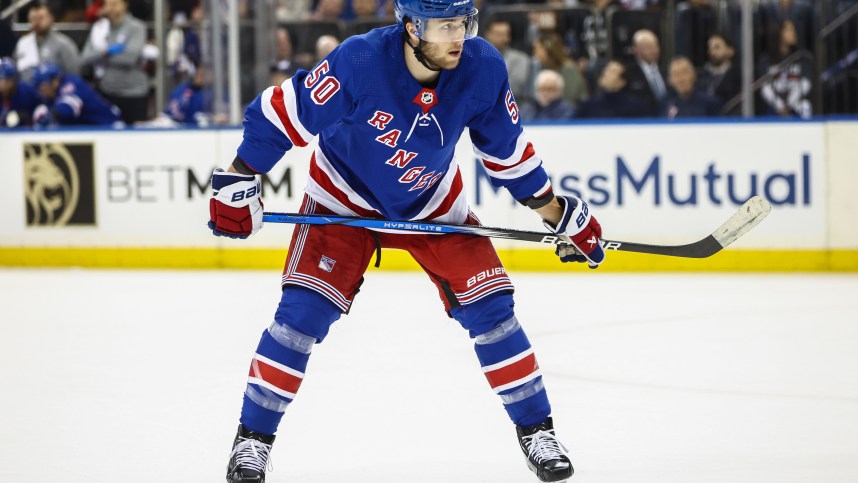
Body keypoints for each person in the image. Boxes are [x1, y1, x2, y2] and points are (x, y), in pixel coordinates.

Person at [210, 1, 607, 482]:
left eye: (462, 23)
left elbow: (507, 152)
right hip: (343, 197)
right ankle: (252, 441)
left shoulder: (482, 67)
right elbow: (280, 115)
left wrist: (556, 214)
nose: (458, 36)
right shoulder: (358, 61)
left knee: (492, 311)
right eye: (444, 26)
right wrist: (238, 176)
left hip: (432, 198)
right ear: (411, 27)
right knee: (300, 318)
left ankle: (537, 431)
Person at [81, 0, 149, 124]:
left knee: (136, 137)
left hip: (133, 93)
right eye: (108, 4)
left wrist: (101, 54)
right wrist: (107, 51)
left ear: (125, 5)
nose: (111, 8)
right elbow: (85, 58)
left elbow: (130, 58)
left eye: (115, 4)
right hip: (107, 92)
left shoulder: (136, 27)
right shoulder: (100, 28)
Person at [30, 61, 123, 126]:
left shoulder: (71, 84)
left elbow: (69, 108)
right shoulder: (49, 96)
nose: (41, 90)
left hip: (109, 127)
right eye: (38, 86)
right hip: (87, 130)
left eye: (43, 85)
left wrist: (52, 115)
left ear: (55, 80)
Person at [13, 1, 81, 81]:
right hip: (28, 89)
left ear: (51, 18)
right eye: (33, 18)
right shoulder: (22, 43)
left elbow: (74, 74)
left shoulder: (64, 44)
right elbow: (15, 71)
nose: (37, 22)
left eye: (41, 18)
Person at [532, 31, 588, 108]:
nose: (535, 53)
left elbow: (569, 99)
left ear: (548, 50)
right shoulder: (543, 68)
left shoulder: (569, 69)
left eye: (537, 49)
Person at [576, 60, 647, 118]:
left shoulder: (635, 107)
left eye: (612, 71)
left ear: (622, 82)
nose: (605, 73)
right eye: (605, 69)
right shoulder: (589, 105)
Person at [483, 19, 530, 102]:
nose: (503, 38)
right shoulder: (479, 58)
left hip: (513, 104)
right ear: (488, 35)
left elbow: (515, 87)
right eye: (498, 34)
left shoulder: (520, 59)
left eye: (505, 34)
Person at [624, 29, 668, 117]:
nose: (654, 50)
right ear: (635, 49)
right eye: (648, 46)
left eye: (656, 45)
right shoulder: (628, 73)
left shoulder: (667, 70)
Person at [696, 33, 741, 113]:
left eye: (717, 47)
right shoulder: (701, 74)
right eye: (710, 48)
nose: (712, 52)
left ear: (730, 51)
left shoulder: (738, 76)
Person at [0, 57, 40, 127]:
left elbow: (42, 112)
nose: (3, 86)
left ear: (15, 80)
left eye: (7, 81)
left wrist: (26, 116)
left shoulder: (27, 92)